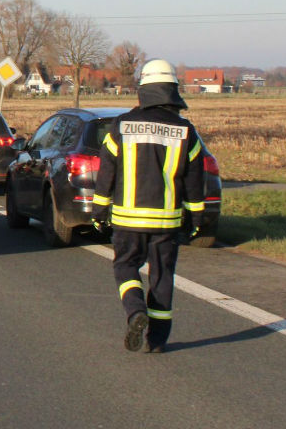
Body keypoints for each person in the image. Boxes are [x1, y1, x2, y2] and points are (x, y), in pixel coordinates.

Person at [93, 59, 207, 354]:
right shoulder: (186, 131)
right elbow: (195, 180)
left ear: (143, 90)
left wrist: (99, 210)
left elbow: (107, 172)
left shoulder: (121, 125)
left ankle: (135, 311)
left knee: (125, 266)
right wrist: (197, 218)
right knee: (162, 276)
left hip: (127, 220)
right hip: (167, 222)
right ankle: (156, 341)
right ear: (172, 91)